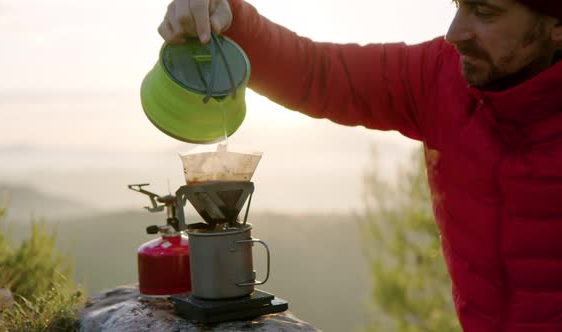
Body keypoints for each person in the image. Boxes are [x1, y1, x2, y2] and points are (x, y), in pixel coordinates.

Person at [157, 1, 562, 331]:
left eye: (485, 12)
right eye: (458, 5)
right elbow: (318, 73)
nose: (455, 32)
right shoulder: (442, 76)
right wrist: (229, 18)